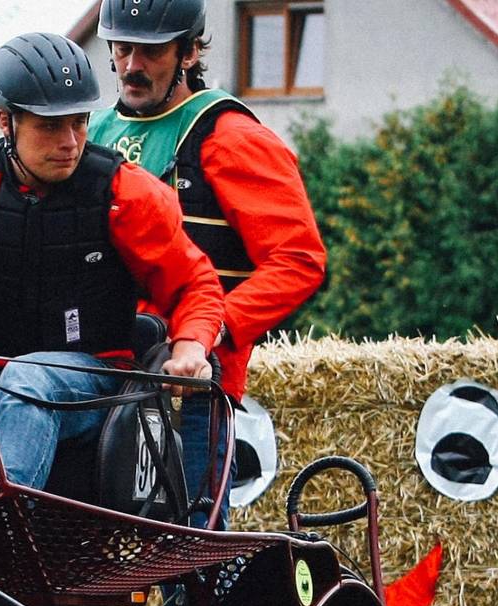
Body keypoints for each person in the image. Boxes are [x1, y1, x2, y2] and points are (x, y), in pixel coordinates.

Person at [0, 31, 225, 496]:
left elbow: (195, 284)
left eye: (79, 123)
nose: (70, 141)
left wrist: (191, 346)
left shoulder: (127, 193)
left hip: (92, 388)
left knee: (27, 378)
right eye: (51, 126)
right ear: (5, 121)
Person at [89, 0, 327, 526]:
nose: (132, 65)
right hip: (106, 369)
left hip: (193, 381)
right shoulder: (90, 133)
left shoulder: (231, 137)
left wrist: (211, 331)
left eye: (150, 52)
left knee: (188, 547)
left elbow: (299, 260)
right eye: (122, 48)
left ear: (190, 52)